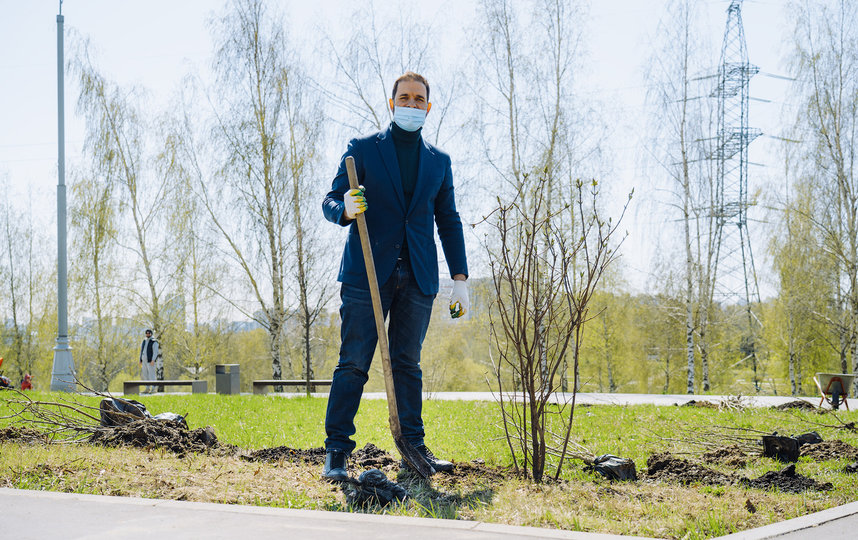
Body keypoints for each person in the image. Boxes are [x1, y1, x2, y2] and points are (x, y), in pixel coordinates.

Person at [321, 71, 469, 481]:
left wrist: (459, 277)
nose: (411, 104)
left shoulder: (439, 161)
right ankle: (336, 453)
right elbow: (330, 200)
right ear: (392, 103)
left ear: (428, 107)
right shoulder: (364, 150)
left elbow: (448, 219)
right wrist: (346, 209)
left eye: (418, 99)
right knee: (353, 362)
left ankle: (413, 449)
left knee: (408, 363)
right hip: (366, 273)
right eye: (404, 97)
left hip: (419, 276)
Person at [139, 329, 159, 393]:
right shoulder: (144, 341)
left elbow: (155, 352)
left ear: (151, 334)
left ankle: (154, 388)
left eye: (149, 333)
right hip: (144, 360)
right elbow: (142, 351)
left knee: (152, 375)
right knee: (145, 375)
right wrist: (140, 360)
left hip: (150, 361)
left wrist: (153, 360)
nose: (147, 334)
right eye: (146, 333)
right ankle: (147, 388)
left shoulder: (154, 341)